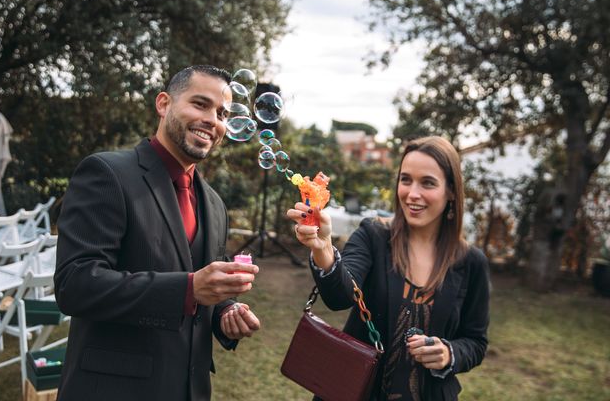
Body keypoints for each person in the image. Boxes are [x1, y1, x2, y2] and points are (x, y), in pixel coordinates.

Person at [54, 65, 261, 401]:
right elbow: (75, 284)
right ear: (164, 104)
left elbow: (206, 282)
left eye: (222, 113)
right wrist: (189, 289)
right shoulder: (107, 173)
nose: (212, 119)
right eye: (200, 104)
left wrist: (226, 310)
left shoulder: (214, 203)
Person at [288, 136, 489, 401]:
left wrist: (449, 353)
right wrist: (322, 247)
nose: (412, 193)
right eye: (406, 180)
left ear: (451, 191)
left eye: (427, 182)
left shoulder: (471, 262)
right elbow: (339, 298)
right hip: (353, 392)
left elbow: (475, 342)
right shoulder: (374, 235)